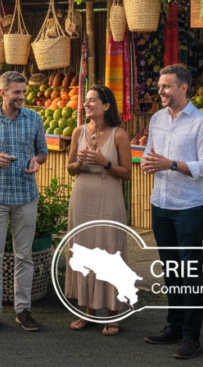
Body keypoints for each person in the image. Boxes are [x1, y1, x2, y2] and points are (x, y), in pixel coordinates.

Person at [141, 63, 203, 360]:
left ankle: (191, 336)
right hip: (160, 203)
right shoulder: (157, 119)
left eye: (166, 86)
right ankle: (173, 325)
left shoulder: (202, 122)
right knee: (171, 269)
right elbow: (150, 153)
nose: (160, 91)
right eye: (160, 86)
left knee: (189, 271)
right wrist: (150, 163)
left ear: (183, 88)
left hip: (188, 207)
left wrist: (171, 164)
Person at [0, 70, 48, 334]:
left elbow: (42, 151)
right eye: (16, 92)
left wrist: (37, 161)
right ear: (2, 92)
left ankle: (22, 310)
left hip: (26, 195)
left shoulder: (34, 118)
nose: (21, 97)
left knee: (24, 255)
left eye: (23, 92)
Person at [64, 84, 132, 335]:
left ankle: (113, 313)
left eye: (93, 100)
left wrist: (105, 163)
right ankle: (89, 312)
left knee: (109, 250)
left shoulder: (118, 134)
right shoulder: (78, 131)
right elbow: (69, 168)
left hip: (108, 200)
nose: (87, 104)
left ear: (106, 106)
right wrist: (80, 162)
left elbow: (127, 174)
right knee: (84, 253)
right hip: (82, 199)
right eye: (87, 100)